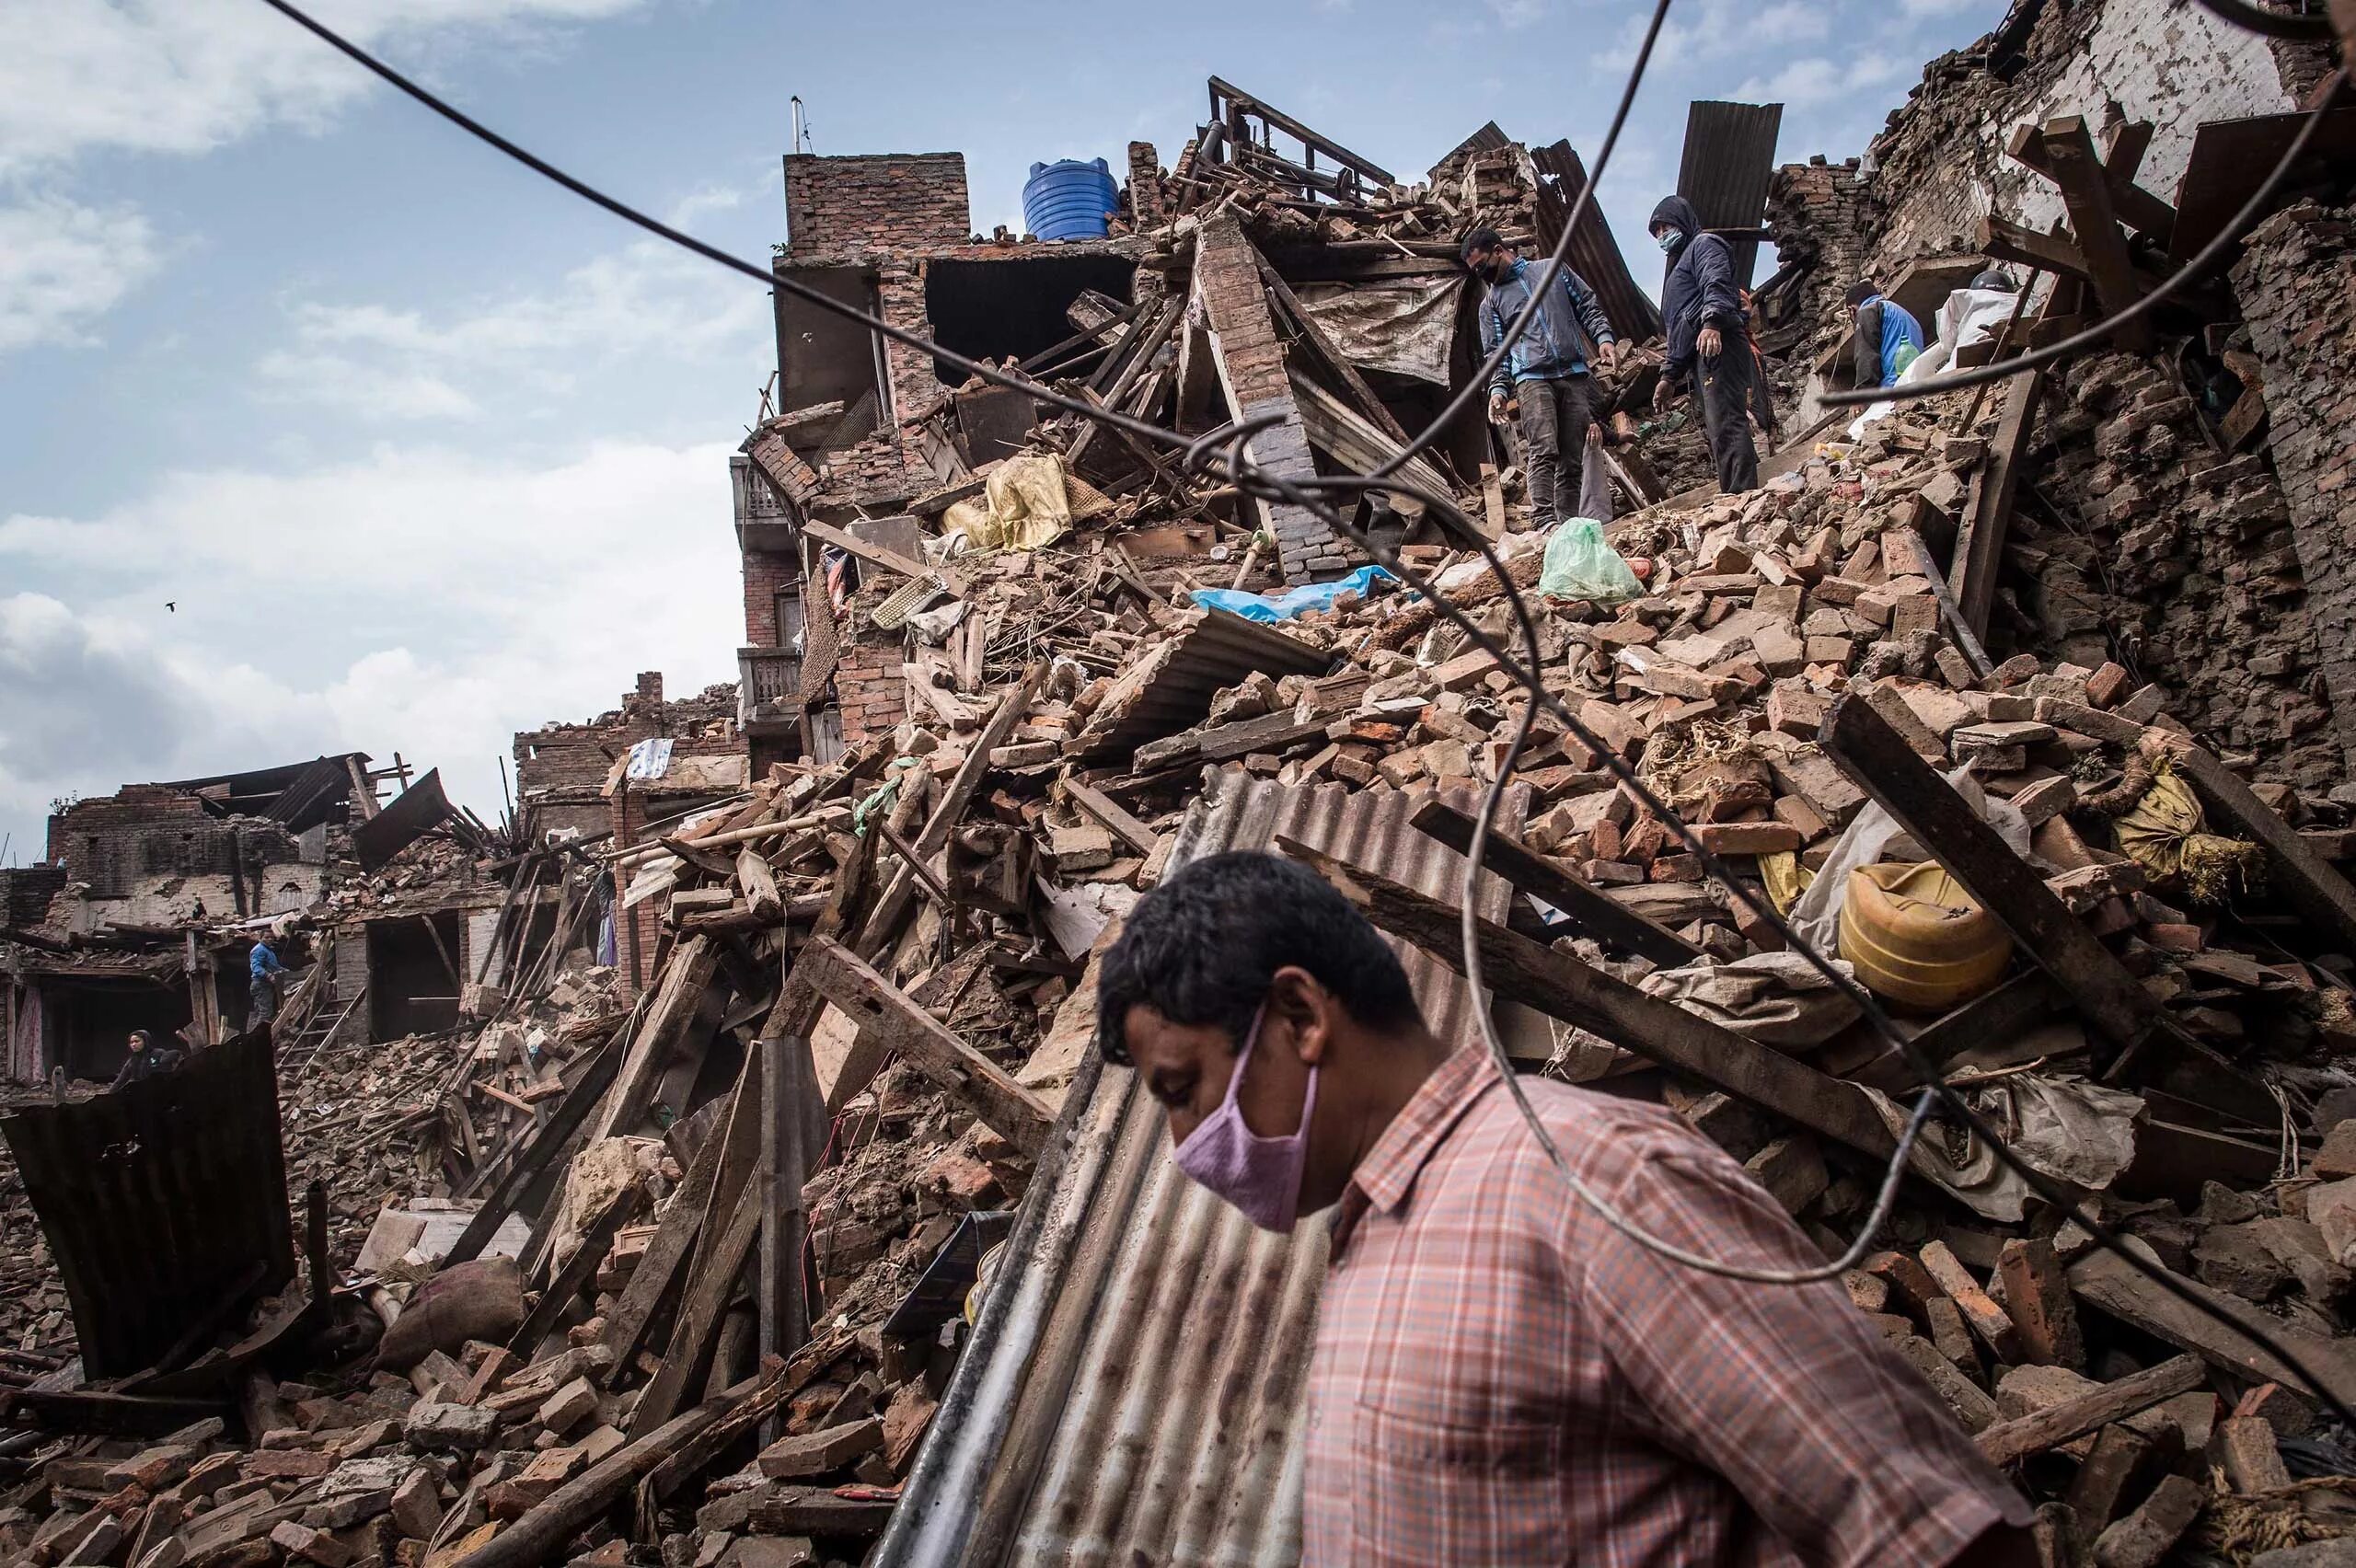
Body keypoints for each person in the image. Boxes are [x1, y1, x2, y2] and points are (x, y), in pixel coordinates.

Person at [1097, 851, 2035, 1568]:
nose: (1188, 1141)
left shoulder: (1592, 1178)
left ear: (1299, 1017)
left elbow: (1934, 1535)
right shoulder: (1380, 1231)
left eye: (1183, 1089)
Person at [1461, 228, 1619, 530]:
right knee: (1544, 450)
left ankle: (1569, 525)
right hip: (1532, 380)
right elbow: (1496, 353)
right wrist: (1498, 390)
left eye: (1482, 266)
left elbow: (1587, 305)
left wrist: (1604, 338)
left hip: (1574, 374)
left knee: (1573, 458)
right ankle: (1545, 523)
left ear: (1498, 250)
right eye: (1475, 271)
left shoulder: (1552, 270)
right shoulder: (1491, 304)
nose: (1482, 275)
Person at [1649, 195, 1761, 494]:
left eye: (1665, 227)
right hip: (1702, 351)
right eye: (1657, 232)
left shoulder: (1704, 244)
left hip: (1718, 342)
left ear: (1682, 221)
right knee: (1719, 427)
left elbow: (1717, 282)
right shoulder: (1679, 267)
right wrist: (1668, 376)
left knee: (1727, 421)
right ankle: (1734, 495)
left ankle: (1742, 495)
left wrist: (1712, 323)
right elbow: (1680, 331)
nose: (1662, 236)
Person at [1849, 279, 1928, 390]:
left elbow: (1866, 354)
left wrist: (1861, 393)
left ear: (1851, 310)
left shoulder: (1866, 312)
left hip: (1895, 386)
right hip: (1918, 379)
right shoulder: (1901, 312)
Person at [110, 1029, 183, 1090]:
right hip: (142, 1093)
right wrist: (109, 1095)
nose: (133, 1045)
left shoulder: (158, 1053)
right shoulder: (132, 1061)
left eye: (137, 1041)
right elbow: (120, 1081)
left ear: (145, 1041)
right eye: (131, 1042)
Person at [248, 937, 287, 1032]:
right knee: (265, 1013)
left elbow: (274, 966)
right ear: (260, 938)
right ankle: (258, 1037)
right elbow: (256, 967)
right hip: (261, 984)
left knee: (259, 1013)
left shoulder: (268, 951)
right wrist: (269, 975)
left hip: (263, 985)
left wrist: (283, 970)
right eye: (266, 937)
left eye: (271, 937)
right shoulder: (259, 950)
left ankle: (252, 1036)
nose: (269, 939)